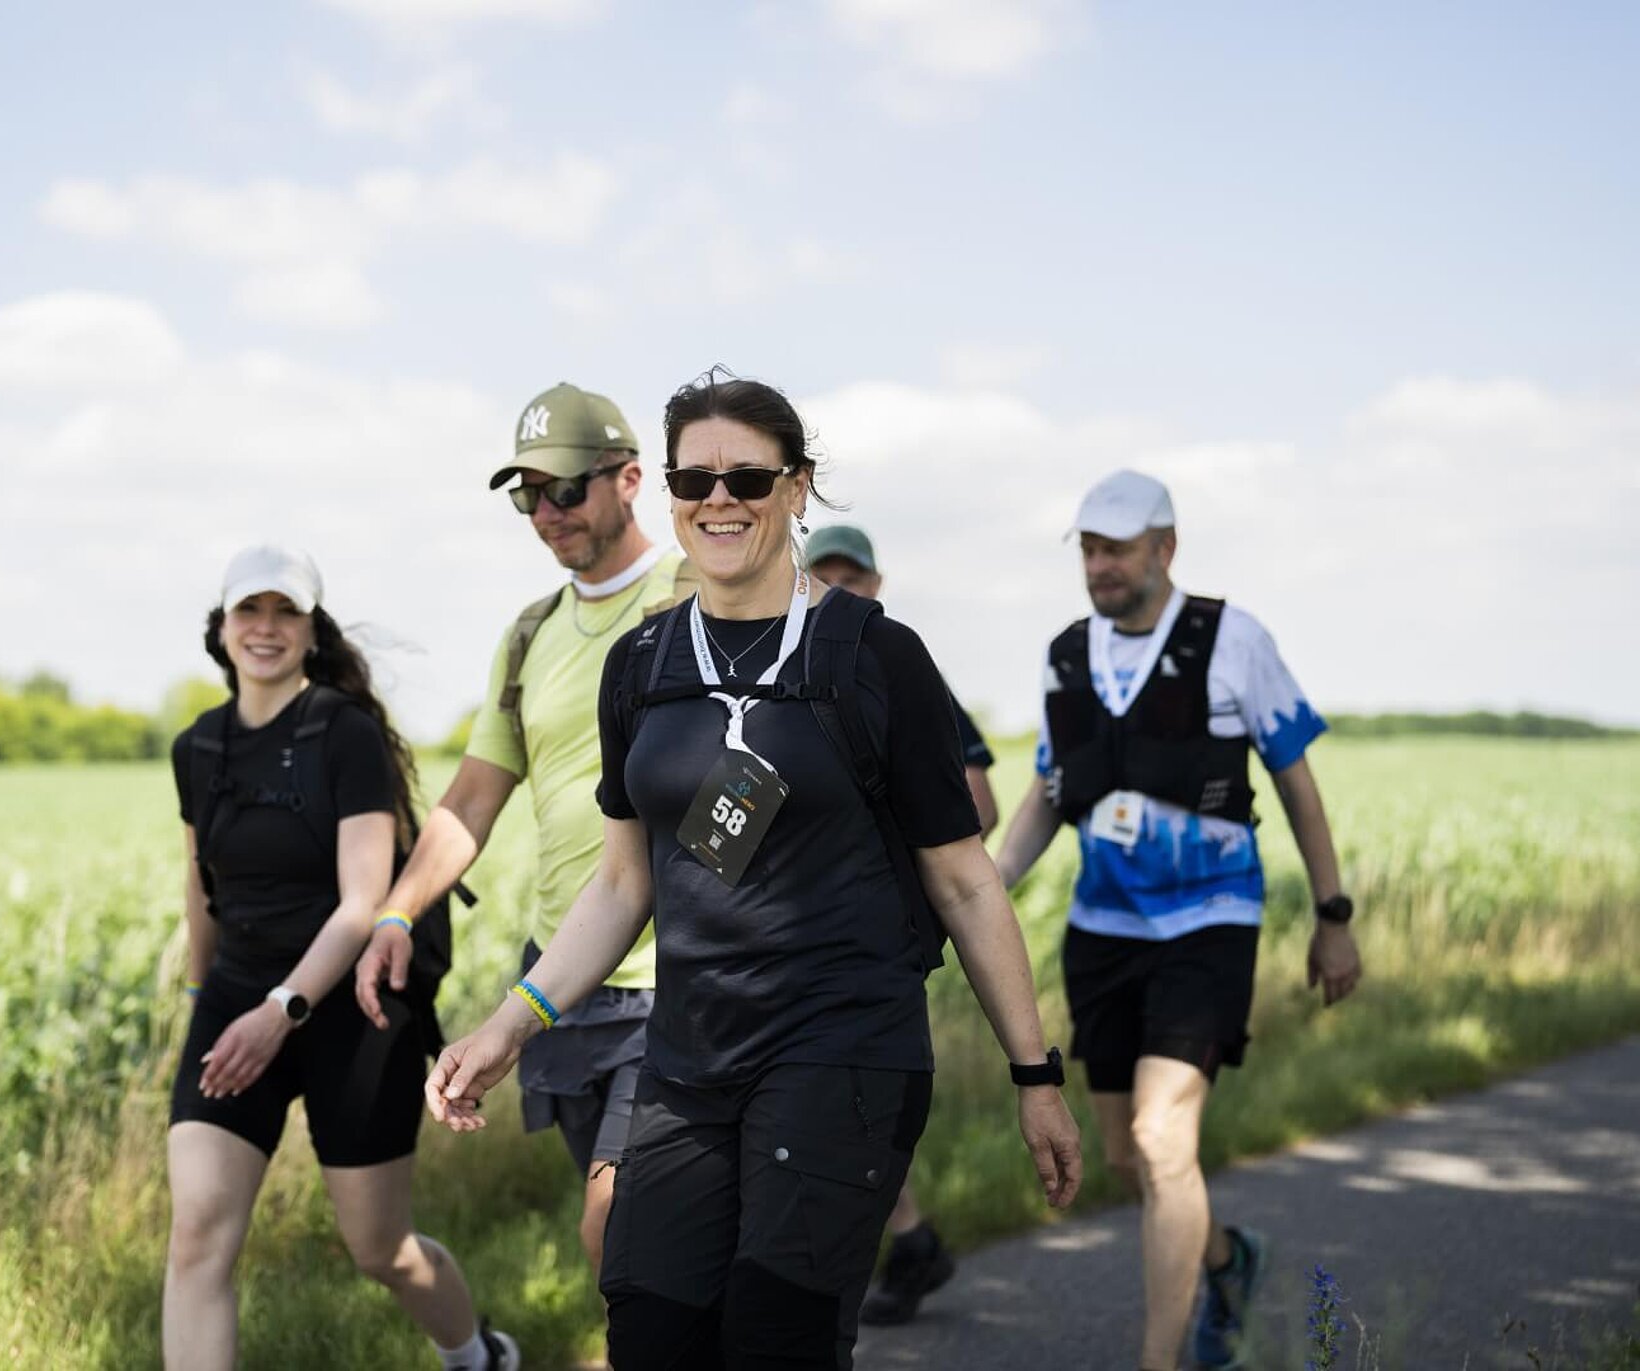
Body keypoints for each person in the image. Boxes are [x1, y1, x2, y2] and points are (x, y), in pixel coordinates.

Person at [425, 371, 1082, 1370]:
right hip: (691, 1058)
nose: (719, 500)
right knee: (651, 1327)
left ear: (797, 488)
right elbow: (621, 886)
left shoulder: (876, 657)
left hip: (841, 1049)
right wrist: (510, 1023)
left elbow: (962, 880)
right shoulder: (641, 669)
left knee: (775, 1339)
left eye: (748, 478)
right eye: (696, 479)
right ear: (671, 493)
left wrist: (1035, 1075)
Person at [992, 470, 1363, 1371]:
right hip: (1103, 927)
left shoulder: (1234, 639)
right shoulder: (1066, 654)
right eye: (1087, 548)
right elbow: (1050, 793)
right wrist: (987, 885)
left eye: (1115, 547)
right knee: (1126, 1153)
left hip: (1210, 922)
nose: (1099, 565)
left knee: (1165, 1140)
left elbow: (1296, 784)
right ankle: (1230, 1262)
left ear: (1165, 547)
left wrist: (1332, 914)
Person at [355, 383, 687, 1275]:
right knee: (655, 1264)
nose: (545, 513)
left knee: (617, 1230)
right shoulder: (530, 634)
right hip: (565, 980)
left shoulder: (691, 591)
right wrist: (395, 914)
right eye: (527, 495)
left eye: (565, 489)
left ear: (628, 480)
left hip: (678, 972)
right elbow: (469, 801)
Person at [165, 545, 518, 1371]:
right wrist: (200, 994)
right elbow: (199, 883)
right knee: (197, 1238)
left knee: (379, 1247)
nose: (266, 627)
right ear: (220, 628)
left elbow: (363, 904)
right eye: (249, 610)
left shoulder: (341, 732)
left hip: (352, 1007)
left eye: (285, 612)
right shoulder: (198, 747)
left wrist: (279, 1010)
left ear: (311, 630)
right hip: (238, 1001)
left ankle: (476, 1357)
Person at [802, 522, 997, 1328]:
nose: (841, 590)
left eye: (855, 577)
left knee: (847, 1109)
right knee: (839, 1113)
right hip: (798, 938)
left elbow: (977, 803)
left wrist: (899, 836)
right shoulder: (782, 674)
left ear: (877, 585)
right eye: (826, 575)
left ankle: (879, 1260)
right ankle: (910, 1239)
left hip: (880, 934)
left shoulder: (900, 667)